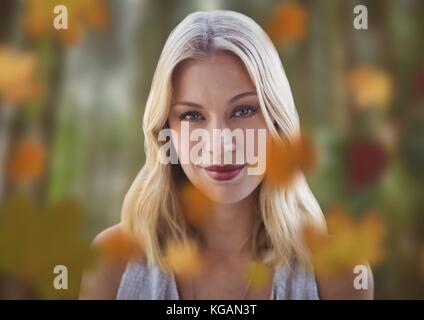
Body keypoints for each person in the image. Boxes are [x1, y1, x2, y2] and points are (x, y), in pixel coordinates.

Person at [79, 10, 373, 300]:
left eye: (243, 110)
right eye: (193, 115)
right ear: (165, 130)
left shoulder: (341, 273)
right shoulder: (112, 264)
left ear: (277, 123)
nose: (220, 144)